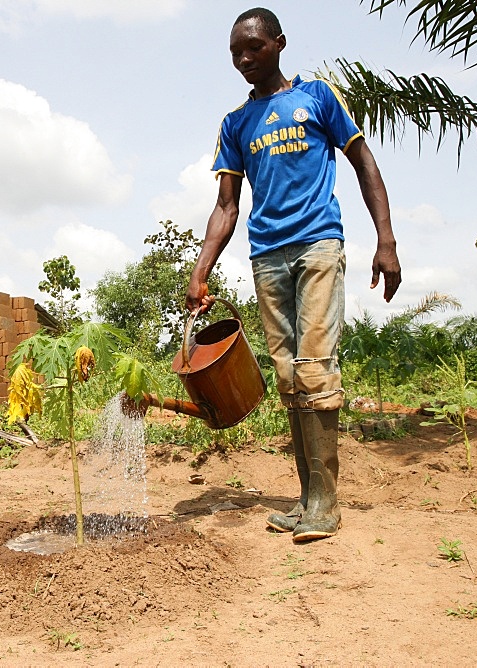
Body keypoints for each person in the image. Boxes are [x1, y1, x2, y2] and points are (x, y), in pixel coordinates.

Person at [186, 7, 402, 542]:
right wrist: (200, 270)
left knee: (314, 367)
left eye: (253, 48)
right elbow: (227, 206)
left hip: (318, 246)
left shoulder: (317, 97)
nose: (242, 60)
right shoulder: (235, 124)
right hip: (268, 258)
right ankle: (307, 499)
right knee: (287, 375)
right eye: (235, 52)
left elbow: (363, 163)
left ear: (279, 44)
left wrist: (386, 239)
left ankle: (325, 505)